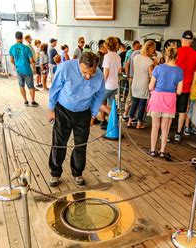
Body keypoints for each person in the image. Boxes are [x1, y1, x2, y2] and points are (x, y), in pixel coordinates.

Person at [47, 52, 106, 187]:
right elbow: (55, 88)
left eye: (91, 73)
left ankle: (77, 172)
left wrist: (93, 115)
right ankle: (55, 173)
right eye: (85, 72)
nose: (88, 76)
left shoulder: (99, 75)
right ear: (79, 63)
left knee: (81, 145)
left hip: (84, 112)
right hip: (63, 110)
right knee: (59, 143)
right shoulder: (65, 68)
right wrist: (51, 109)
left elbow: (99, 95)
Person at [147, 46, 183, 157]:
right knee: (165, 127)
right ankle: (162, 151)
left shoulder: (158, 68)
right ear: (176, 56)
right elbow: (180, 91)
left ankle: (152, 150)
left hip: (157, 98)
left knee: (155, 126)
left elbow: (151, 87)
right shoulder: (179, 71)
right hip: (170, 99)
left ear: (166, 55)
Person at [174, 30, 196, 142]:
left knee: (170, 111)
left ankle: (165, 131)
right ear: (191, 41)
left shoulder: (176, 52)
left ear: (182, 40)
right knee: (182, 111)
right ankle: (178, 133)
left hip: (173, 87)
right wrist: (192, 87)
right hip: (186, 88)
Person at [127, 40, 157, 129]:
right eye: (153, 49)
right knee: (142, 104)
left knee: (134, 103)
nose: (154, 51)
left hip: (135, 83)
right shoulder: (149, 62)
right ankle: (139, 123)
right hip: (143, 84)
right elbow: (152, 75)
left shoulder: (136, 57)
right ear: (150, 49)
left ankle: (129, 121)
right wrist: (155, 65)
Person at [9, 31, 38, 107]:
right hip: (27, 70)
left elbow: (11, 60)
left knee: (21, 86)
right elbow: (31, 60)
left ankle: (25, 101)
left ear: (16, 38)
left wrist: (17, 64)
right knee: (31, 86)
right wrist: (33, 63)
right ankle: (33, 101)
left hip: (19, 70)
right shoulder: (26, 48)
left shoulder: (12, 48)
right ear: (22, 38)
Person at [99, 36, 122, 129]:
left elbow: (106, 73)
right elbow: (120, 71)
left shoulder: (107, 56)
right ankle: (112, 120)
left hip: (107, 85)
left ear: (106, 45)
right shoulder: (118, 56)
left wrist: (101, 83)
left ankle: (113, 116)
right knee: (110, 104)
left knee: (97, 102)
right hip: (115, 85)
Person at [122, 40, 141, 121]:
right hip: (132, 77)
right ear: (133, 46)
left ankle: (130, 115)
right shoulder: (132, 53)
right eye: (137, 46)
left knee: (134, 97)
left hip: (134, 77)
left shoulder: (135, 53)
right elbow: (126, 64)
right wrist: (128, 75)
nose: (138, 48)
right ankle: (125, 114)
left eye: (139, 47)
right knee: (131, 96)